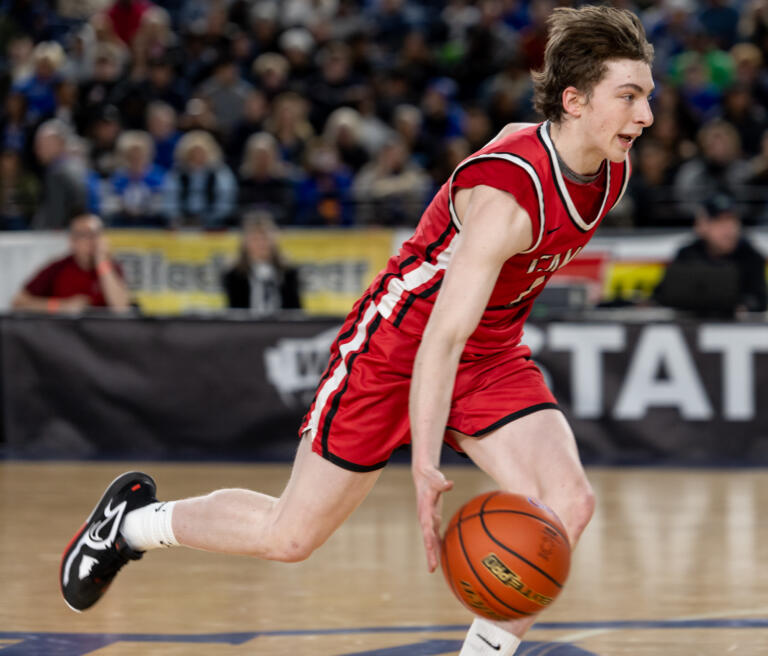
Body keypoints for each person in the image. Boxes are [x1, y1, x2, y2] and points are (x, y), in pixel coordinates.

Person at [60, 7, 654, 656]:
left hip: (488, 352)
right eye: (628, 96)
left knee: (567, 503)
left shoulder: (610, 168)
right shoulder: (508, 200)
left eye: (646, 96)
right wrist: (425, 465)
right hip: (397, 348)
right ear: (574, 100)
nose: (645, 115)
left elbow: (468, 340)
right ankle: (131, 526)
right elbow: (438, 342)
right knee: (290, 536)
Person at [654, 191, 767, 313]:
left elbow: (759, 299)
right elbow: (663, 294)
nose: (729, 228)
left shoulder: (750, 257)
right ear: (701, 225)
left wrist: (744, 307)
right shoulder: (687, 254)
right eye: (719, 222)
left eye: (732, 220)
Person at [13, 213, 132, 313]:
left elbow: (122, 309)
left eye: (95, 234)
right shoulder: (58, 268)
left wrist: (102, 262)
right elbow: (19, 302)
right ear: (72, 241)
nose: (91, 241)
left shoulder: (110, 267)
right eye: (84, 235)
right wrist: (60, 306)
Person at [221, 212, 301, 315]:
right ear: (245, 243)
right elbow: (233, 312)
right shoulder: (234, 275)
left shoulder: (288, 272)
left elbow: (296, 311)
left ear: (273, 241)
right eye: (255, 239)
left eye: (264, 239)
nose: (260, 244)